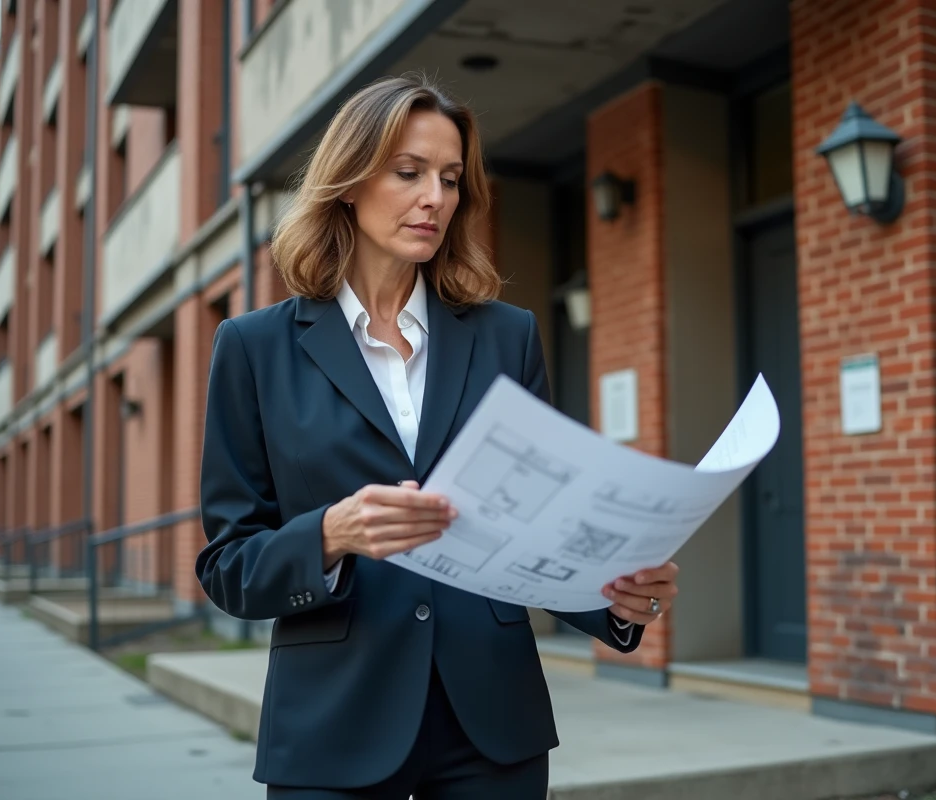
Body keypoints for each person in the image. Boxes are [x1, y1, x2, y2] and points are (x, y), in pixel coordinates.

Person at [196, 73, 680, 800]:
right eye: (409, 172)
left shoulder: (507, 337)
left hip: (492, 722)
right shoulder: (253, 348)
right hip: (335, 723)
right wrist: (329, 534)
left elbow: (538, 530)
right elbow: (228, 564)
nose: (435, 198)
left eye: (451, 179)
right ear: (350, 183)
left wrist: (615, 594)